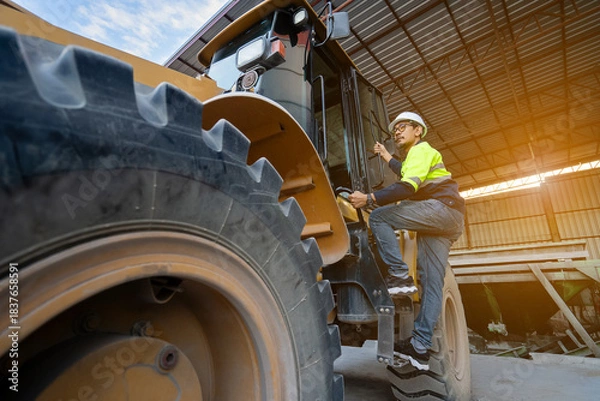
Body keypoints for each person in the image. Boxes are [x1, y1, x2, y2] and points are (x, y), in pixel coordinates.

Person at [348, 111, 465, 371]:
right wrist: (385, 154)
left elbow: (407, 187)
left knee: (378, 218)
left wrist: (368, 198)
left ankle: (400, 276)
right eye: (395, 130)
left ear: (418, 131)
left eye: (403, 127)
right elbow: (403, 172)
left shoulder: (422, 150)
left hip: (439, 209)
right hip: (449, 219)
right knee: (432, 284)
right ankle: (420, 348)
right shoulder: (414, 157)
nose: (397, 132)